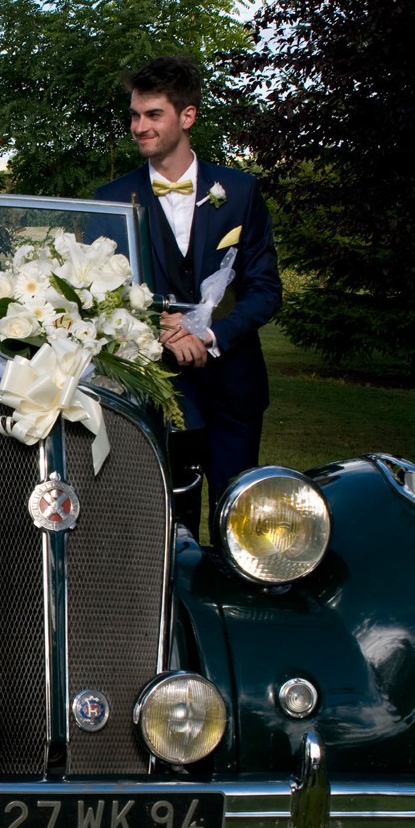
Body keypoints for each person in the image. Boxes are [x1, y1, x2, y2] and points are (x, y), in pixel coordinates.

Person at [94, 55, 282, 534]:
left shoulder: (239, 192)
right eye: (135, 115)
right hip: (152, 387)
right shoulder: (109, 200)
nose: (140, 127)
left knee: (235, 522)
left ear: (187, 116)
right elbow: (98, 297)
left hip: (232, 387)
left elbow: (265, 289)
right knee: (163, 529)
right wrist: (157, 329)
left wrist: (210, 336)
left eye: (154, 114)